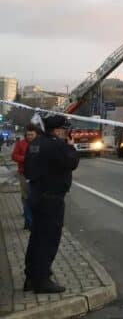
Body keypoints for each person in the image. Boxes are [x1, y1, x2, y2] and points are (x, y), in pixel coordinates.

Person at [23, 114, 80, 294]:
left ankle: (31, 277)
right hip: (51, 199)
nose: (67, 133)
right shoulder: (56, 145)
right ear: (58, 130)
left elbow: (28, 169)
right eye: (65, 130)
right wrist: (71, 147)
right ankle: (42, 280)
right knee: (47, 241)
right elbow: (72, 162)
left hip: (37, 195)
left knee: (36, 239)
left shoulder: (35, 143)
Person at [11, 124, 40, 230]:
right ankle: (29, 222)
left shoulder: (40, 144)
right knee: (26, 198)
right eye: (28, 135)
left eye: (32, 134)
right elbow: (14, 156)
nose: (30, 136)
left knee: (35, 198)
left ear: (36, 134)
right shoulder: (21, 144)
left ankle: (33, 219)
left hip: (37, 175)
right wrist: (26, 159)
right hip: (24, 174)